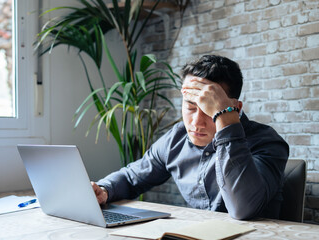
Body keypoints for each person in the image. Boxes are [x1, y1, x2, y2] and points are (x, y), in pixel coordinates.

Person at [91, 55, 289, 220]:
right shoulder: (176, 139)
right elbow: (131, 177)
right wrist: (103, 190)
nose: (196, 122)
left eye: (208, 109)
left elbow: (242, 209)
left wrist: (225, 120)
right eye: (190, 107)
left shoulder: (267, 142)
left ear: (235, 109)